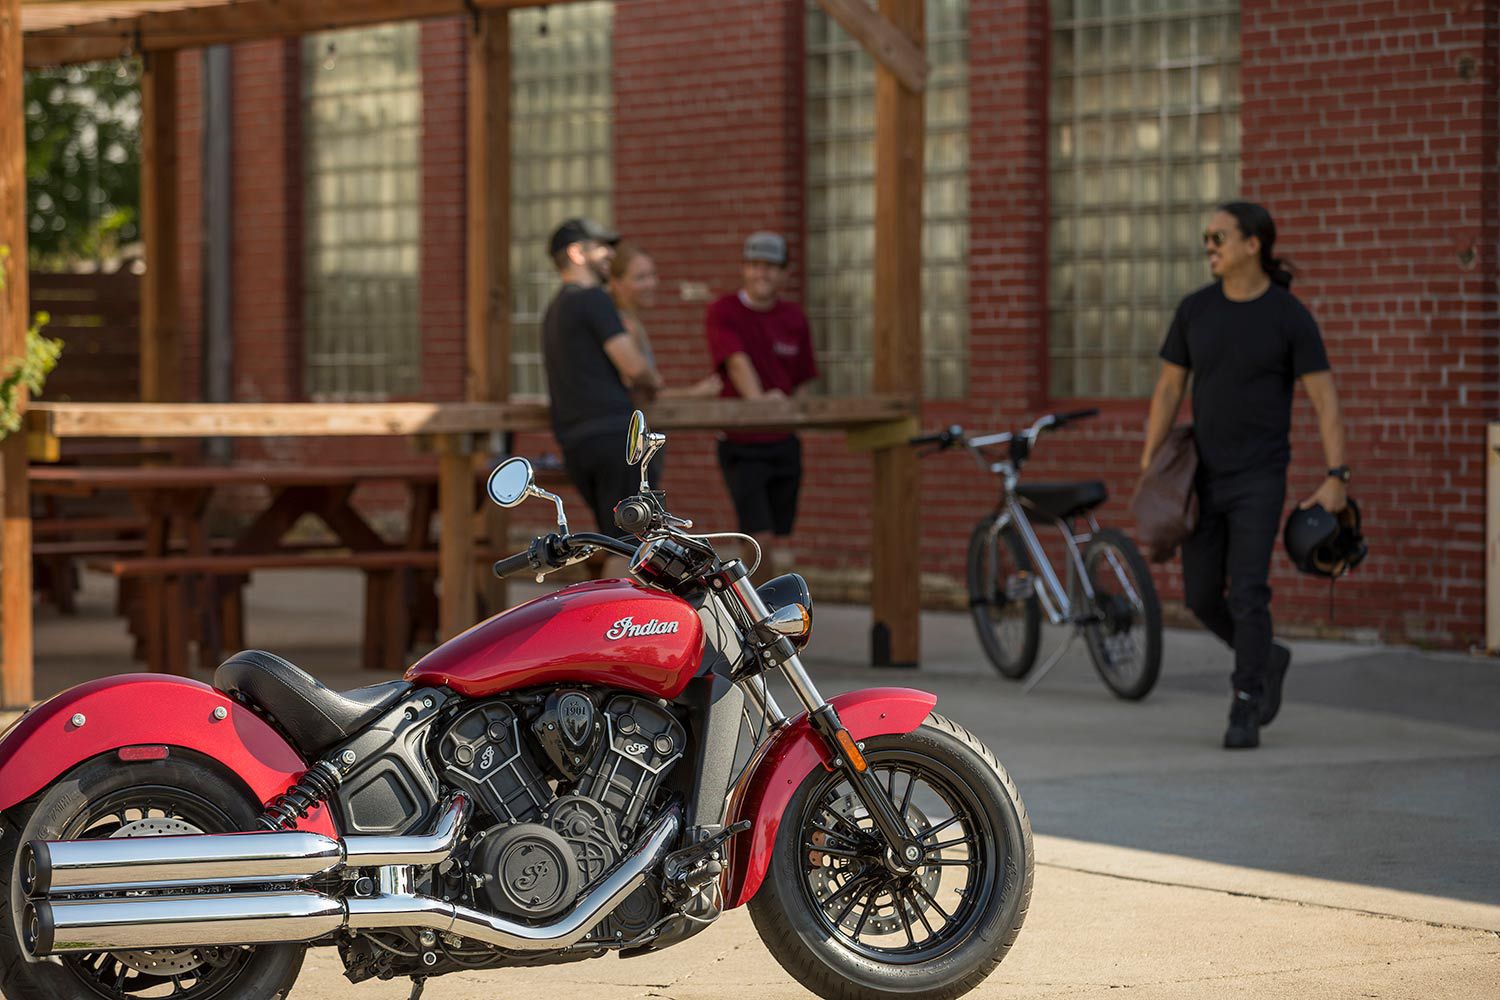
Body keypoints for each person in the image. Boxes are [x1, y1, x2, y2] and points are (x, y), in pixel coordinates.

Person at [1139, 201, 1349, 750]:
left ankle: (1246, 701)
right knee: (1204, 596)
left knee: (1249, 591)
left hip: (1260, 475)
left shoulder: (1287, 315)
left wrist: (1337, 476)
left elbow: (1324, 398)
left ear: (1253, 243)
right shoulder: (1195, 310)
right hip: (1201, 475)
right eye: (1206, 238)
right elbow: (1168, 390)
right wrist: (1151, 462)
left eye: (1218, 237)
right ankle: (1267, 657)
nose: (1209, 246)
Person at [541, 217, 660, 577]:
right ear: (577, 253)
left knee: (615, 540)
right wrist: (654, 376)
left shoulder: (555, 309)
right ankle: (620, 629)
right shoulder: (593, 298)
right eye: (602, 247)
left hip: (578, 445)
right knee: (631, 546)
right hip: (616, 442)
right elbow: (634, 367)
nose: (610, 254)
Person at [705, 231, 818, 577]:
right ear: (744, 269)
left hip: (783, 443)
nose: (761, 274)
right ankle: (764, 617)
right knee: (759, 537)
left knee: (779, 537)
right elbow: (736, 362)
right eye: (754, 265)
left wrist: (796, 422)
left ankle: (758, 601)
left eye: (770, 266)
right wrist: (759, 403)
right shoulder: (724, 310)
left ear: (784, 273)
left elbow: (803, 380)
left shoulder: (794, 317)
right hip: (742, 444)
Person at [609, 242, 722, 401]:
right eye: (640, 278)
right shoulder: (624, 327)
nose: (651, 284)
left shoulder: (632, 323)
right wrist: (695, 393)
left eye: (652, 275)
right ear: (616, 284)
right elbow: (640, 397)